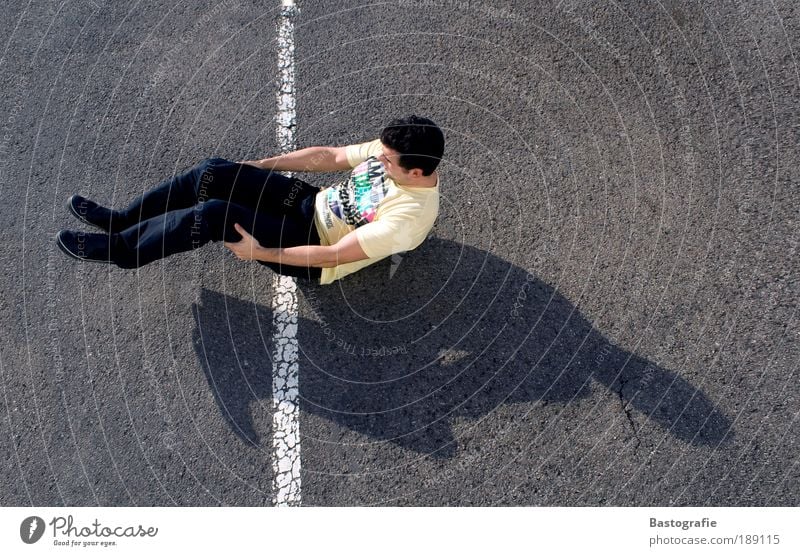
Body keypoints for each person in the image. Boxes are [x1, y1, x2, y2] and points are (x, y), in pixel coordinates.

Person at [55, 115, 445, 285]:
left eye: (387, 160)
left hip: (314, 244)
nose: (378, 156)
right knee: (213, 172)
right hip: (311, 203)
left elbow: (334, 256)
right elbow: (332, 157)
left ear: (416, 172)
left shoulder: (409, 217)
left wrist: (259, 252)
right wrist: (259, 166)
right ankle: (121, 220)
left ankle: (122, 249)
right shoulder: (397, 150)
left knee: (213, 215)